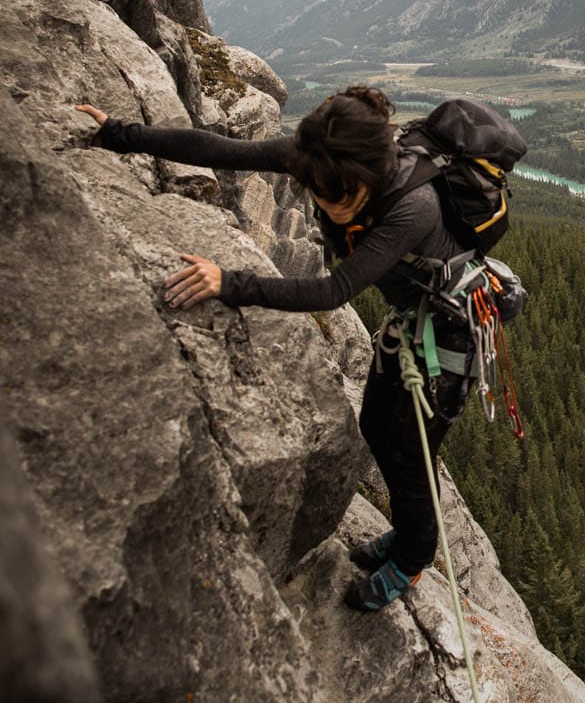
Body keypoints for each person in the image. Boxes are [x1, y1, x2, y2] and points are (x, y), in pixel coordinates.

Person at [75, 87, 471, 612]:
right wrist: (119, 134)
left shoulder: (413, 207)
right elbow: (221, 149)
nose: (322, 203)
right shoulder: (318, 159)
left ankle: (413, 555)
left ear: (368, 181)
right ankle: (407, 537)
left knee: (409, 452)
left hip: (447, 338)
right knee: (376, 427)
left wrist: (229, 283)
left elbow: (332, 291)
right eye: (318, 191)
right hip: (410, 321)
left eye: (335, 197)